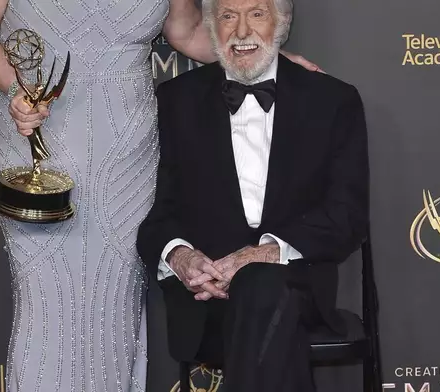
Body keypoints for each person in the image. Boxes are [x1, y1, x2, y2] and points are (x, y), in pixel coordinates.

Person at [0, 0, 322, 391]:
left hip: (126, 149)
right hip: (37, 139)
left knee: (114, 303)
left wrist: (271, 60)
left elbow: (188, 31)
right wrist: (16, 88)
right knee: (46, 300)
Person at [136, 0, 369, 390]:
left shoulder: (333, 100)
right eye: (228, 16)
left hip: (298, 290)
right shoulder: (176, 101)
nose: (242, 31)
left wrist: (261, 254)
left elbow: (347, 216)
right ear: (212, 27)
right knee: (267, 316)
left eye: (257, 14)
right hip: (207, 302)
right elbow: (157, 212)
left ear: (281, 24)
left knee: (264, 286)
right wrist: (181, 257)